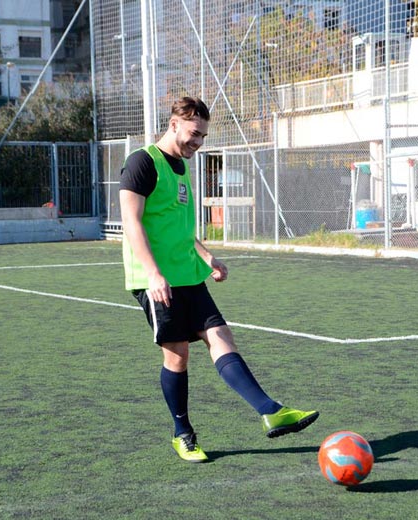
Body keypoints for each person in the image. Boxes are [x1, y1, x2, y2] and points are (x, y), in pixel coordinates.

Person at [119, 97, 318, 463]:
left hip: (188, 273)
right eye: (194, 133)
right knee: (177, 357)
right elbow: (132, 222)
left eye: (203, 136)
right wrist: (153, 274)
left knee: (221, 336)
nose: (198, 142)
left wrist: (207, 256)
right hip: (157, 279)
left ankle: (269, 409)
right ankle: (183, 435)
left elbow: (176, 228)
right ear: (174, 123)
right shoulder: (142, 162)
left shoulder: (181, 166)